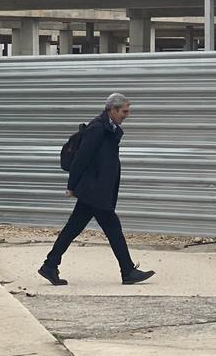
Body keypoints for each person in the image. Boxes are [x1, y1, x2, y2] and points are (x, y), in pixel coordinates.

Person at [38, 92, 155, 286]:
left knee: (74, 228)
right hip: (94, 190)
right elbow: (81, 159)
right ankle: (127, 271)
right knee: (112, 228)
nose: (127, 115)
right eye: (124, 111)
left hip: (96, 190)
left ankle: (50, 265)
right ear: (112, 109)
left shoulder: (109, 127)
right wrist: (71, 186)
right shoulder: (97, 129)